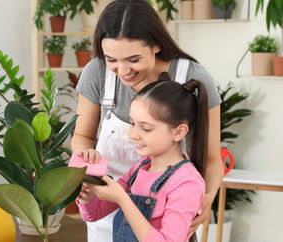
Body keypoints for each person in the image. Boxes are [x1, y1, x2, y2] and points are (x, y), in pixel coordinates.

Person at [71, 0, 224, 241]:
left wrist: (204, 201)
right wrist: (88, 172)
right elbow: (82, 137)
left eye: (133, 60)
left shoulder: (193, 77)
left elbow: (213, 158)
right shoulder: (135, 172)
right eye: (111, 59)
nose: (122, 71)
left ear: (156, 45)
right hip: (110, 201)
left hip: (167, 212)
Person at [76, 75, 208, 242]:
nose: (132, 134)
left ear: (179, 132)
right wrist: (88, 193)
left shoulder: (187, 183)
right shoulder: (139, 169)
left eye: (145, 128)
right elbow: (94, 214)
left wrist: (123, 199)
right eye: (132, 123)